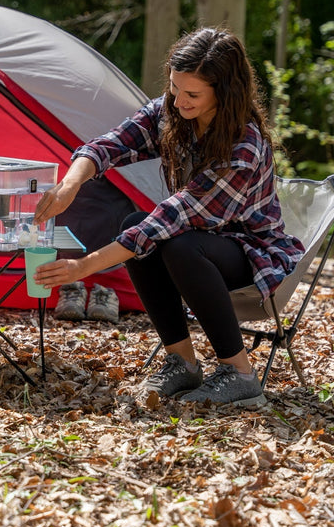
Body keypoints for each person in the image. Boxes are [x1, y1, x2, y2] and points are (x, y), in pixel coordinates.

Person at [32, 27, 305, 409]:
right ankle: (183, 362)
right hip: (193, 241)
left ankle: (240, 374)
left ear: (224, 93)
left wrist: (85, 266)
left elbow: (172, 218)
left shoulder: (244, 146)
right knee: (138, 227)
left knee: (176, 244)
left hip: (254, 254)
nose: (179, 101)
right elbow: (110, 145)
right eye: (175, 88)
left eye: (192, 94)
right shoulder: (172, 113)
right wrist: (69, 185)